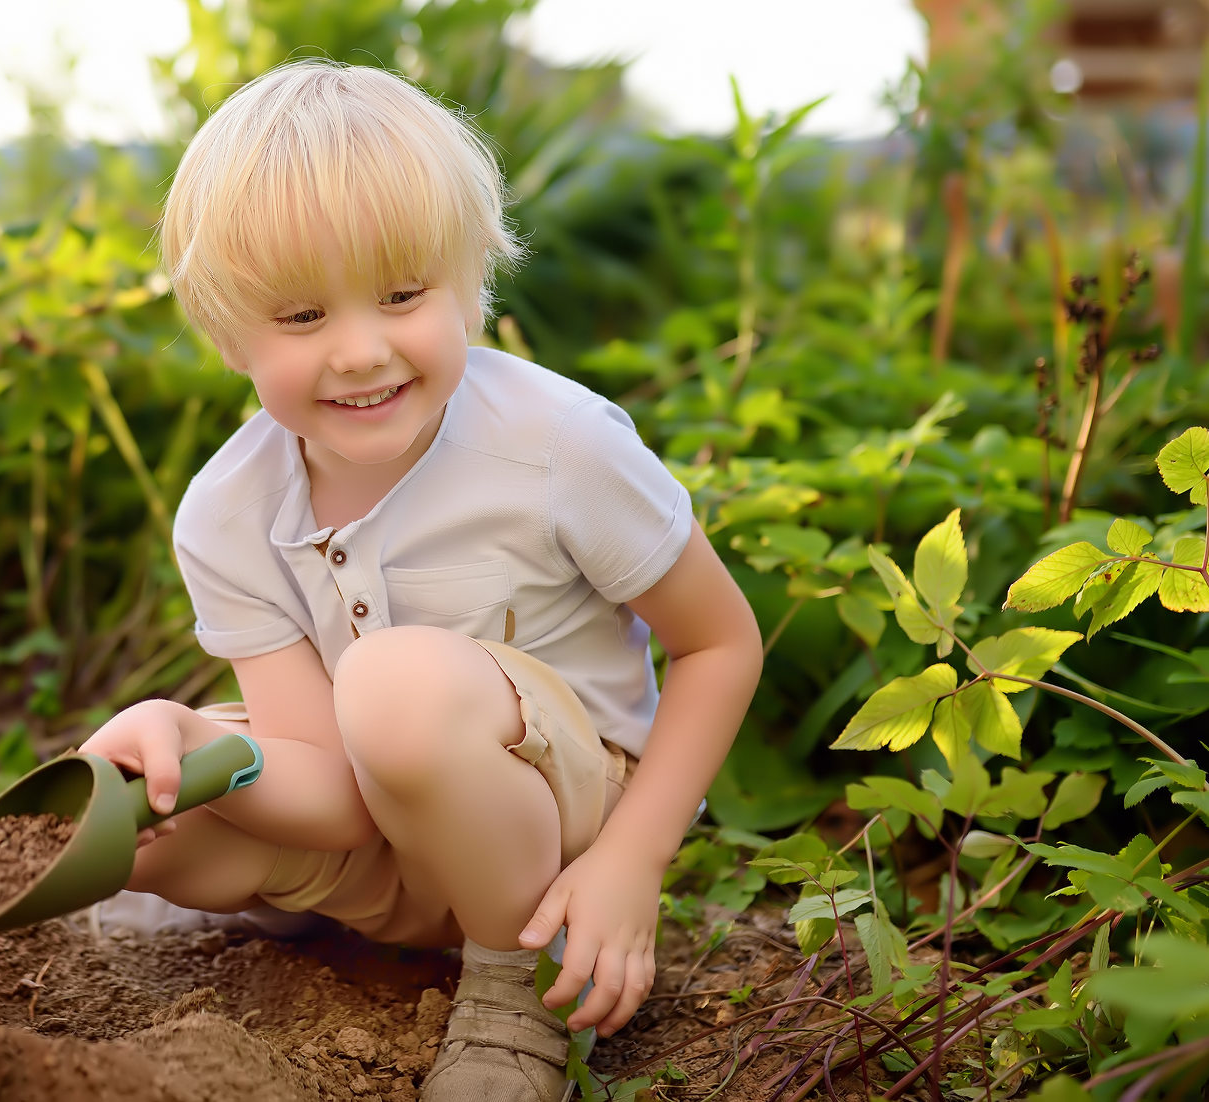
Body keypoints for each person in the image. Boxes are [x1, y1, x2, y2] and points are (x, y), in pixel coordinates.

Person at [80, 58, 763, 1102]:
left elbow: (717, 643)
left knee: (393, 685)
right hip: (387, 832)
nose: (361, 351)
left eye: (402, 296)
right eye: (301, 317)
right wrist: (192, 741)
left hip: (560, 835)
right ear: (227, 333)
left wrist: (633, 860)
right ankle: (320, 913)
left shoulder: (555, 444)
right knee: (143, 824)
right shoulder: (226, 511)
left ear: (469, 281)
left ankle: (516, 990)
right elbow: (331, 788)